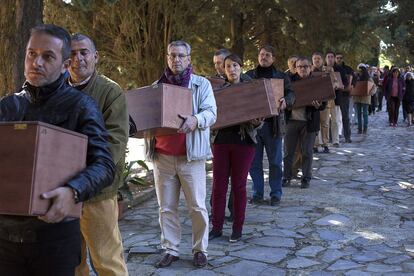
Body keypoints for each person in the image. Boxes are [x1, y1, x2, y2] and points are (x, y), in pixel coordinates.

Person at [0, 24, 115, 275]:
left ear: (65, 65)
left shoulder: (82, 106)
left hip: (55, 242)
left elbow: (104, 165)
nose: (37, 62)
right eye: (32, 54)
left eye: (48, 56)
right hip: (4, 241)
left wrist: (73, 190)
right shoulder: (7, 106)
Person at [144, 40, 217, 268]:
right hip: (162, 157)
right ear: (167, 58)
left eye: (181, 56)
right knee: (166, 207)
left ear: (189, 59)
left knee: (197, 206)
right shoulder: (157, 86)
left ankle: (200, 249)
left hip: (190, 156)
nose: (176, 59)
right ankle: (170, 249)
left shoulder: (200, 84)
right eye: (172, 55)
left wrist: (196, 119)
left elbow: (212, 113)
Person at [68, 33, 129, 276]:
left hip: (98, 192)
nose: (78, 58)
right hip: (65, 192)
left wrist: (86, 177)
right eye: (72, 53)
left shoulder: (110, 91)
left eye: (84, 52)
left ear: (96, 56)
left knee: (107, 260)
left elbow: (115, 141)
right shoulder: (57, 90)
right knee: (73, 261)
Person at [209, 54, 262, 243]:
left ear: (240, 67)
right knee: (218, 186)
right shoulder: (217, 91)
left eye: (235, 66)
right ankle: (216, 228)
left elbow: (259, 117)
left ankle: (237, 229)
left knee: (239, 186)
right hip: (221, 142)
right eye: (228, 66)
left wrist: (256, 122)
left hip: (244, 143)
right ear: (223, 70)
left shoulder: (251, 89)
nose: (231, 69)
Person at [246, 45, 295, 205]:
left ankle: (276, 194)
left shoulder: (281, 76)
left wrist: (285, 101)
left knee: (275, 162)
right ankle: (257, 193)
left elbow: (291, 94)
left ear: (273, 58)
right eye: (261, 54)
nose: (263, 57)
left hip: (273, 126)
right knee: (254, 163)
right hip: (253, 127)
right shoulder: (249, 76)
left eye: (267, 55)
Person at [282, 57, 326, 188]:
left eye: (305, 66)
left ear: (310, 67)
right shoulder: (288, 81)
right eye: (300, 66)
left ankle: (306, 178)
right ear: (295, 68)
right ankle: (286, 177)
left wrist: (318, 105)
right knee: (288, 152)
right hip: (291, 121)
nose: (302, 69)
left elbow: (323, 103)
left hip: (309, 122)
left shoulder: (317, 81)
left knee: (307, 151)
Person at [211, 48, 233, 222]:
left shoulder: (243, 80)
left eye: (220, 63)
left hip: (240, 137)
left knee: (237, 181)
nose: (217, 66)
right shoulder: (210, 83)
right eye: (215, 63)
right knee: (219, 180)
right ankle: (216, 213)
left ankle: (233, 211)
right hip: (218, 137)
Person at [325, 51, 342, 147]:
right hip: (323, 99)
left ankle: (335, 140)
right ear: (326, 58)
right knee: (325, 122)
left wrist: (336, 85)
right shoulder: (322, 69)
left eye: (332, 57)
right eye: (328, 57)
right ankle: (325, 141)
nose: (330, 58)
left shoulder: (340, 69)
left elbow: (343, 82)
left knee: (335, 120)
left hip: (335, 99)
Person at [335, 52, 353, 143]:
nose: (339, 59)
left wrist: (351, 86)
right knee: (332, 118)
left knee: (345, 117)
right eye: (337, 58)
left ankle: (347, 136)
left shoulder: (348, 69)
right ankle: (333, 137)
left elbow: (353, 80)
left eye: (340, 58)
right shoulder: (330, 68)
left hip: (344, 96)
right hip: (333, 95)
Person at [353, 64, 376, 134]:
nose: (360, 72)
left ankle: (365, 128)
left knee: (365, 113)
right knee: (359, 114)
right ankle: (360, 129)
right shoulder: (356, 78)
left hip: (365, 98)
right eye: (359, 71)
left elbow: (374, 87)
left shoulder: (368, 79)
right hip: (357, 97)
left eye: (361, 71)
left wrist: (370, 92)